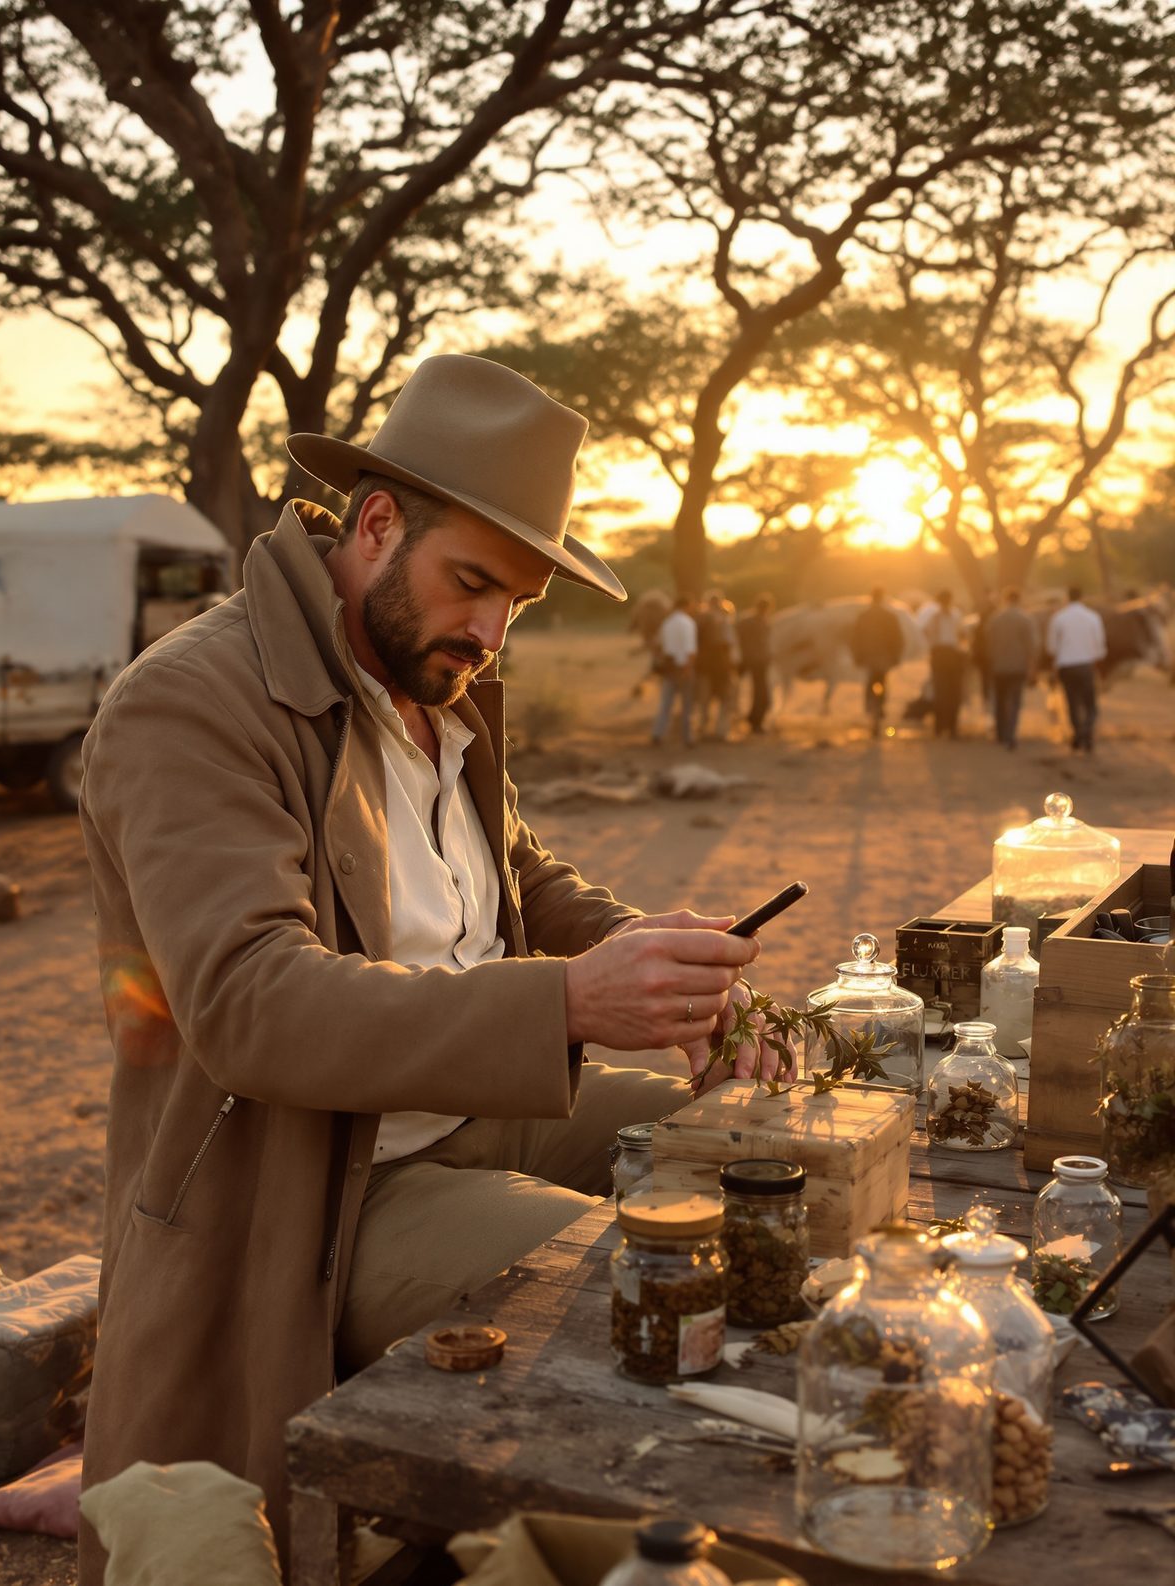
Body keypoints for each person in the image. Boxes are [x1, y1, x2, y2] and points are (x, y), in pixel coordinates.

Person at [76, 355, 786, 1583]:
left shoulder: (432, 678)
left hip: (479, 1112)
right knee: (652, 1276)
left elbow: (519, 877)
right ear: (378, 519)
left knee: (763, 1166)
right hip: (321, 1184)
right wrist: (568, 1002)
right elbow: (250, 1000)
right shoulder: (193, 702)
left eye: (518, 602)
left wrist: (651, 959)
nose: (490, 631)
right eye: (473, 585)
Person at [1046, 585, 1107, 751]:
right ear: (1082, 597)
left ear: (1067, 597)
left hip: (1066, 666)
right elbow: (1100, 646)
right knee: (1090, 706)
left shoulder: (1059, 618)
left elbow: (1051, 647)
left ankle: (1078, 734)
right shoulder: (1092, 617)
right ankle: (1086, 733)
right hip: (1086, 666)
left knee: (1072, 703)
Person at [984, 587, 1038, 750]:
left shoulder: (995, 619)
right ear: (1019, 600)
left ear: (1005, 600)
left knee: (1000, 701)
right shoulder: (1025, 619)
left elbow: (988, 643)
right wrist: (1032, 668)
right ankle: (1011, 735)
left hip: (998, 666)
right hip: (1018, 667)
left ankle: (1000, 733)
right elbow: (1032, 646)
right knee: (1014, 702)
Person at [850, 586, 904, 738]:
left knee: (870, 682)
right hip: (884, 658)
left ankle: (870, 708)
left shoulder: (864, 616)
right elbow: (897, 638)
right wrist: (896, 656)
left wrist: (857, 656)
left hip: (869, 658)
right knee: (882, 682)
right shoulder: (889, 616)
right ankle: (880, 709)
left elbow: (855, 639)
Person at [651, 593, 699, 746]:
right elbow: (690, 650)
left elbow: (659, 646)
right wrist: (688, 668)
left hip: (669, 666)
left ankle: (658, 734)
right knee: (686, 705)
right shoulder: (688, 623)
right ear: (687, 606)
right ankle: (687, 737)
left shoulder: (667, 622)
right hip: (682, 666)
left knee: (666, 704)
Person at [694, 590, 739, 740]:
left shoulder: (700, 618)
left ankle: (703, 728)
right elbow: (730, 643)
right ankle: (721, 730)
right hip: (721, 664)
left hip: (705, 665)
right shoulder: (725, 619)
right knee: (725, 697)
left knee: (704, 698)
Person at [923, 589, 966, 737]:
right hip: (941, 653)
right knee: (942, 691)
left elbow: (962, 635)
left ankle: (951, 726)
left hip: (950, 654)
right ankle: (941, 726)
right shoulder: (936, 617)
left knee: (952, 692)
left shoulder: (955, 615)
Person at [735, 594, 774, 734]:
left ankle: (751, 719)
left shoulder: (745, 621)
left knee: (757, 692)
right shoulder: (762, 622)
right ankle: (755, 722)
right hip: (757, 662)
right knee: (762, 695)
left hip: (747, 660)